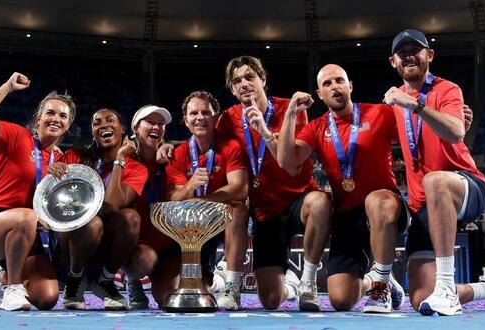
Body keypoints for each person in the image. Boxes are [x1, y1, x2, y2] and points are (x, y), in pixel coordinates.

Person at [384, 29, 485, 316]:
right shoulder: (392, 102)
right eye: (402, 52)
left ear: (430, 55)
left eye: (416, 49)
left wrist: (416, 105)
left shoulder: (446, 90)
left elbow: (455, 131)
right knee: (422, 299)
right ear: (393, 62)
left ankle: (446, 286)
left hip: (466, 185)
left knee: (435, 180)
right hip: (424, 206)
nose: (409, 56)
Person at [276, 64, 407, 313]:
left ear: (350, 86)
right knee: (341, 299)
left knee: (377, 201)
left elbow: (416, 139)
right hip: (347, 217)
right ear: (319, 93)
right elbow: (287, 161)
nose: (334, 86)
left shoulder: (380, 113)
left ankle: (381, 285)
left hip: (385, 208)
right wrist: (290, 111)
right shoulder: (316, 127)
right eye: (327, 84)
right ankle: (381, 280)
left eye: (339, 80)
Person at [216, 56, 332, 311]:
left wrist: (266, 133)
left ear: (263, 80)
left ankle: (308, 283)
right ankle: (289, 285)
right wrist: (166, 149)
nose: (244, 84)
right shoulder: (227, 119)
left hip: (298, 199)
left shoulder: (291, 109)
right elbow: (205, 147)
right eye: (237, 81)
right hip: (264, 210)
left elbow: (291, 166)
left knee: (321, 203)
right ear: (233, 89)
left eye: (250, 77)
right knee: (271, 300)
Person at [0, 72, 73, 311]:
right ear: (38, 118)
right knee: (26, 215)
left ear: (68, 126)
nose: (56, 118)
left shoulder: (61, 161)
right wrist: (7, 87)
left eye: (63, 116)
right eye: (50, 113)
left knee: (47, 298)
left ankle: (0, 277)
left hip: (27, 234)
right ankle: (13, 287)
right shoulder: (17, 136)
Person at [47, 108, 148, 310]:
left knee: (131, 218)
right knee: (92, 223)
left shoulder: (136, 168)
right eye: (97, 122)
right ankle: (74, 281)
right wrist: (51, 174)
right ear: (92, 132)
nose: (103, 125)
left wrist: (120, 160)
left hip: (107, 250)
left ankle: (105, 280)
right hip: (71, 244)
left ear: (122, 130)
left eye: (110, 120)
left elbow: (111, 206)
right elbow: (52, 201)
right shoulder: (74, 157)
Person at [166, 91, 249, 310]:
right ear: (185, 120)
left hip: (222, 219)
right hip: (192, 228)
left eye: (206, 112)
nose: (200, 117)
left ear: (216, 117)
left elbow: (240, 188)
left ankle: (231, 286)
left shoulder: (230, 146)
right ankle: (214, 277)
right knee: (194, 296)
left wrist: (203, 199)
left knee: (238, 210)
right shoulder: (179, 153)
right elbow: (172, 198)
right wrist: (189, 186)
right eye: (194, 113)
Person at [122, 105, 179, 309]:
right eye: (150, 122)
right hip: (140, 245)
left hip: (169, 242)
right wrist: (121, 159)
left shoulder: (172, 157)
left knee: (169, 300)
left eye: (160, 124)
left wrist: (171, 145)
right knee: (145, 259)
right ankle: (133, 279)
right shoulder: (125, 160)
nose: (156, 126)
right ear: (136, 128)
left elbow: (196, 143)